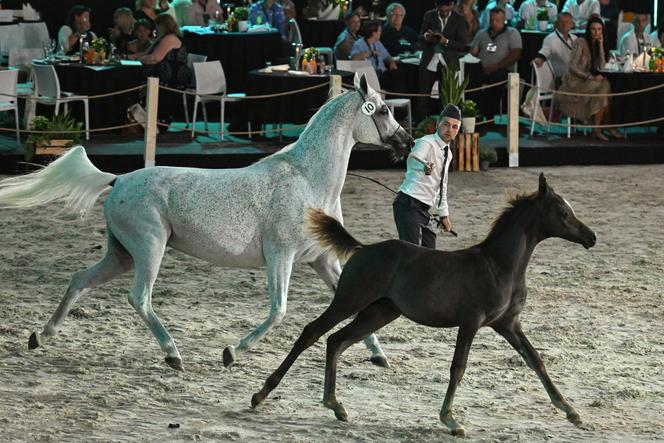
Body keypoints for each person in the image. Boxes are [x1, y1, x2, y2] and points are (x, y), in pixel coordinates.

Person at [393, 104, 461, 249]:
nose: (450, 130)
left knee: (430, 254)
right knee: (412, 255)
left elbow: (441, 185)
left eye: (455, 127)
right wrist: (423, 164)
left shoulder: (448, 153)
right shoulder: (426, 142)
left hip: (424, 210)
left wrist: (443, 215)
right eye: (446, 124)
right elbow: (414, 156)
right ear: (438, 124)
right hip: (408, 204)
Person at [556, 16, 622, 141]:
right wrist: (590, 76)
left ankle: (597, 128)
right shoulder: (581, 42)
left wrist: (601, 45)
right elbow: (572, 67)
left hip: (588, 82)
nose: (597, 32)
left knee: (604, 86)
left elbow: (602, 67)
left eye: (599, 30)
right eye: (593, 29)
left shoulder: (598, 43)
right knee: (604, 85)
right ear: (588, 30)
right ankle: (607, 125)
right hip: (574, 82)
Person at [416, 0, 468, 122]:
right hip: (429, 62)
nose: (444, 13)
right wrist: (426, 37)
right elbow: (419, 38)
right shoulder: (429, 15)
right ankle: (420, 127)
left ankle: (447, 128)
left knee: (446, 99)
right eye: (442, 10)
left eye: (447, 10)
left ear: (452, 6)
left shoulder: (459, 19)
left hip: (448, 64)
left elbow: (462, 45)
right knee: (423, 98)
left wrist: (446, 41)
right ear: (437, 6)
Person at [469, 7, 522, 120]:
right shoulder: (481, 33)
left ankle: (489, 115)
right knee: (472, 78)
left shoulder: (512, 33)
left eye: (497, 20)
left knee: (496, 80)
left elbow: (516, 53)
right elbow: (473, 52)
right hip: (482, 68)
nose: (494, 23)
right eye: (492, 20)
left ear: (504, 19)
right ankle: (474, 114)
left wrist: (497, 66)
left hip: (502, 69)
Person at [532, 12, 578, 81]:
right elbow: (544, 51)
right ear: (557, 23)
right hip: (559, 77)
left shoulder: (575, 38)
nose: (565, 24)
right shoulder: (550, 38)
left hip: (574, 74)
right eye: (562, 22)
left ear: (572, 24)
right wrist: (539, 59)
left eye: (567, 22)